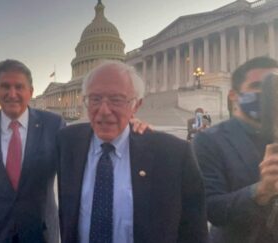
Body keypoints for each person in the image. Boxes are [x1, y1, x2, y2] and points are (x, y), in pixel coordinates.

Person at [56, 60, 208, 243]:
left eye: (116, 100)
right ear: (85, 101)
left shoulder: (173, 155)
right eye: (95, 99)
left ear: (136, 105)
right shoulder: (66, 142)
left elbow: (194, 232)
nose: (104, 110)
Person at [0, 59, 65, 243]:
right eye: (5, 86)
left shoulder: (53, 125)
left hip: (39, 233)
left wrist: (129, 131)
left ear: (30, 91)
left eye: (19, 86)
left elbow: (82, 152)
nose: (12, 94)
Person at [193, 57, 278, 243]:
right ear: (234, 95)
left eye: (273, 86)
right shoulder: (209, 140)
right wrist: (261, 190)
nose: (267, 93)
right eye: (258, 85)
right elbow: (212, 209)